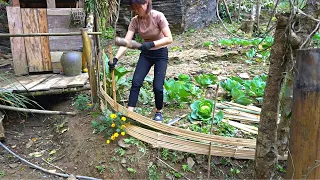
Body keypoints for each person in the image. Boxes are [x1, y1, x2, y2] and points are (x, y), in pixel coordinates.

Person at [108, 0, 173, 122]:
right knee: (136, 82)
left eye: (139, 7)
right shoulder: (135, 21)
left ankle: (158, 111)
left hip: (160, 53)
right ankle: (130, 112)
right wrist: (116, 59)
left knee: (158, 86)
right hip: (146, 55)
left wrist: (151, 44)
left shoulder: (158, 16)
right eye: (134, 8)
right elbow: (126, 42)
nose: (137, 10)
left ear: (147, 3)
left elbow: (169, 38)